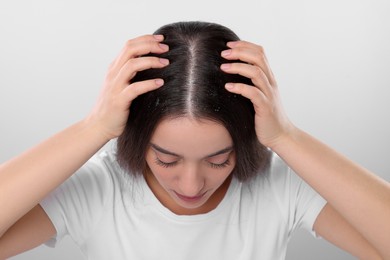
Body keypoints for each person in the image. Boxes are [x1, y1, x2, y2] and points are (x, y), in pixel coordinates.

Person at [0, 21, 389, 259]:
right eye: (166, 160)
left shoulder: (280, 183)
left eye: (219, 159)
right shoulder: (100, 188)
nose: (191, 185)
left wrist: (287, 136)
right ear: (137, 139)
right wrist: (93, 129)